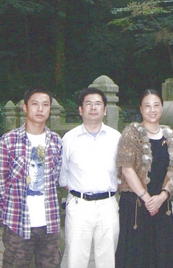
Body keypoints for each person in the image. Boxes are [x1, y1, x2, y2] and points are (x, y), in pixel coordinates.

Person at [0, 87, 63, 267]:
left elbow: (56, 178)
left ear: (50, 109)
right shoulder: (9, 140)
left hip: (49, 223)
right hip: (17, 222)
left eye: (45, 105)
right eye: (35, 104)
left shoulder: (56, 141)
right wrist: (7, 213)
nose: (40, 109)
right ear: (25, 107)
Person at [115, 89, 173, 267]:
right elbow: (127, 168)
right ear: (141, 109)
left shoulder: (171, 136)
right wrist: (146, 198)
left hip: (161, 205)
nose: (152, 110)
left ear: (162, 107)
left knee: (162, 256)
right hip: (136, 205)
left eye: (156, 105)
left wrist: (163, 196)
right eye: (147, 106)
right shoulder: (131, 134)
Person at [59, 87, 122, 267]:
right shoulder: (69, 138)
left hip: (108, 205)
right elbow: (63, 176)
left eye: (98, 104)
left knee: (108, 260)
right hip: (79, 206)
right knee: (76, 259)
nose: (93, 108)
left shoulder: (116, 138)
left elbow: (122, 173)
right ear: (80, 110)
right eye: (88, 104)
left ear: (105, 110)